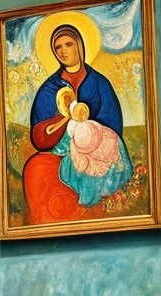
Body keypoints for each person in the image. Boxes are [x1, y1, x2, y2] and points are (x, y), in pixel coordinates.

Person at [24, 23, 129, 222]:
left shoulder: (99, 83)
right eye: (58, 47)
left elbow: (112, 121)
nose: (63, 51)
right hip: (60, 153)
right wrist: (63, 125)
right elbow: (39, 133)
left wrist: (90, 133)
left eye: (68, 44)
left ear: (79, 45)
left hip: (97, 151)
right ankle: (47, 226)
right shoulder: (49, 88)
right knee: (35, 169)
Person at [49, 86, 131, 207]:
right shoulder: (92, 123)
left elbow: (62, 148)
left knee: (74, 165)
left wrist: (54, 150)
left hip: (86, 154)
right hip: (103, 145)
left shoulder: (71, 125)